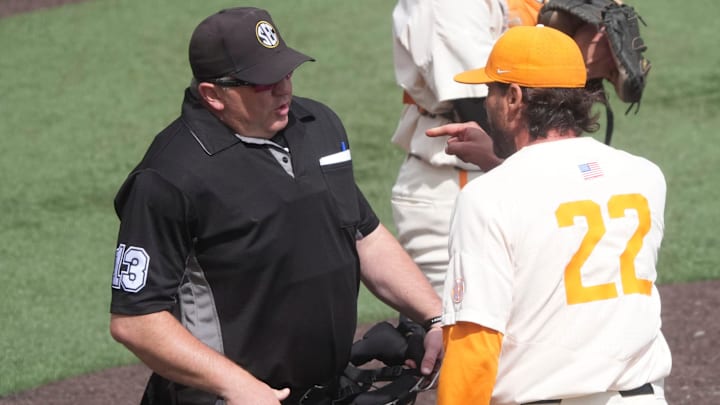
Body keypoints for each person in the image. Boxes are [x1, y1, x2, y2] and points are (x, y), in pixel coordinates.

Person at [108, 7, 442, 405]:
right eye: (263, 83)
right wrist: (237, 386)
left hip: (327, 391)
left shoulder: (317, 124)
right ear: (214, 95)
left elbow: (362, 234)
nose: (284, 89)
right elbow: (136, 320)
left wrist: (435, 316)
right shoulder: (170, 176)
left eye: (285, 72)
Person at [429, 25, 672, 404]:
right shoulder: (644, 176)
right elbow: (557, 194)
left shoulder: (486, 198)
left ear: (514, 97)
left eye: (490, 90)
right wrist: (499, 160)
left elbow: (475, 344)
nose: (486, 101)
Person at [389, 0, 507, 298]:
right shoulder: (450, 5)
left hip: (486, 178)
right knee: (460, 331)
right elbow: (479, 103)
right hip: (455, 189)